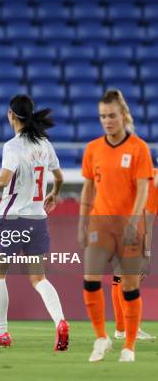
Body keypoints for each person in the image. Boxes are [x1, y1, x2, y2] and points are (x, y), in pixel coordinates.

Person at [0, 95, 69, 351]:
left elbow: (3, 180)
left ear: (11, 115)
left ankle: (2, 333)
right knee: (39, 278)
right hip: (38, 219)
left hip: (12, 218)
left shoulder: (13, 146)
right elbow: (59, 176)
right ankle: (60, 321)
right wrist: (55, 193)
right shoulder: (44, 144)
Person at [79, 90, 153, 363]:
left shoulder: (138, 148)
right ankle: (101, 337)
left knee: (129, 286)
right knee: (90, 279)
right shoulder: (93, 149)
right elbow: (87, 188)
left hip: (129, 226)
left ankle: (129, 347)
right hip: (100, 223)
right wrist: (82, 222)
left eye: (112, 115)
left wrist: (134, 222)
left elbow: (144, 188)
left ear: (123, 115)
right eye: (102, 116)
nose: (107, 121)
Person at [110, 169, 157, 342]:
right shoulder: (153, 186)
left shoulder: (147, 175)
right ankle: (132, 328)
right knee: (130, 279)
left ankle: (121, 329)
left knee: (119, 276)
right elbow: (148, 226)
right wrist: (147, 256)